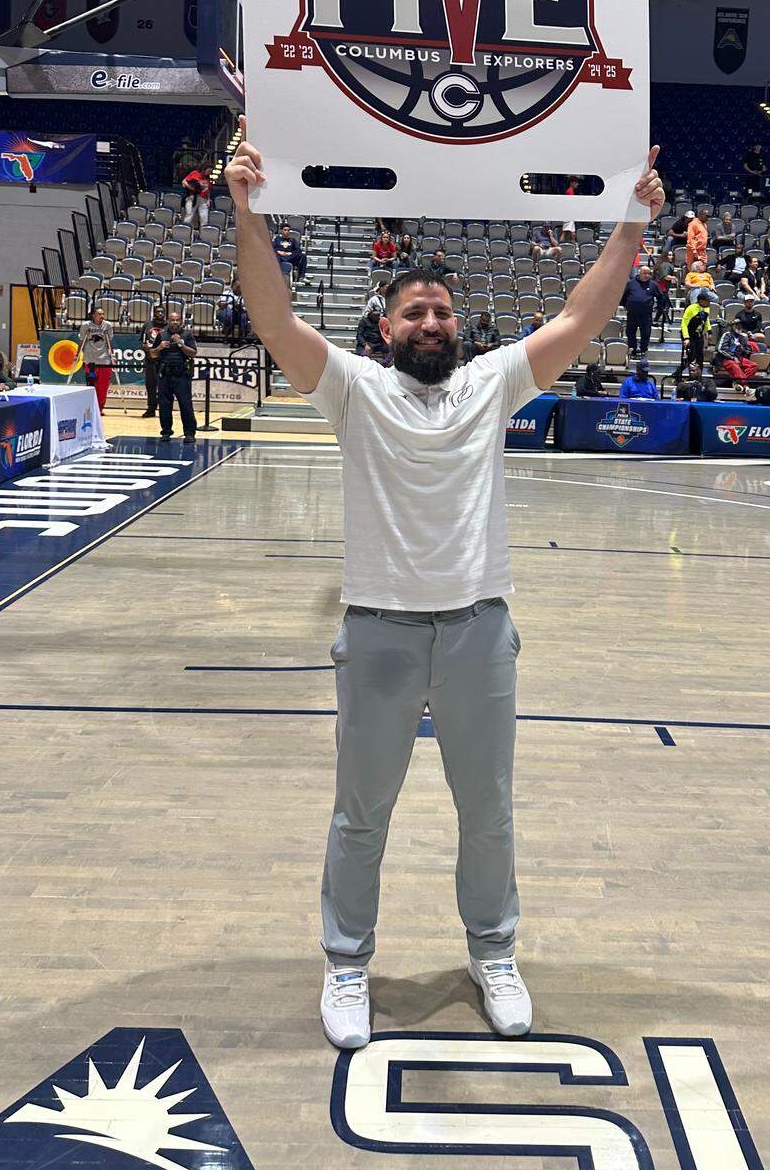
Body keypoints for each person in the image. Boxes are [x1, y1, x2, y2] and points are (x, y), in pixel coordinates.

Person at [223, 118, 665, 1051]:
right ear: (386, 328)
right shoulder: (352, 388)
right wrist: (244, 207)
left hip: (477, 630)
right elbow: (271, 319)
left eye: (442, 313)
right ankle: (347, 967)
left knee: (488, 811)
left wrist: (629, 224)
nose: (431, 324)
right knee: (362, 814)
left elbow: (582, 320)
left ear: (459, 327)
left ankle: (492, 954)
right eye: (414, 313)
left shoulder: (491, 385)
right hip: (380, 630)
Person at [149, 309, 197, 442]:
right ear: (168, 321)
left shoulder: (187, 335)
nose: (175, 322)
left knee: (185, 404)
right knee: (164, 404)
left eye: (177, 320)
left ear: (181, 321)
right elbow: (152, 354)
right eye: (172, 320)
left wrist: (180, 343)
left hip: (182, 375)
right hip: (165, 374)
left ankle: (189, 433)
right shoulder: (162, 335)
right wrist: (159, 347)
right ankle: (166, 432)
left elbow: (193, 353)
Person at [80, 306, 116, 411]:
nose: (102, 316)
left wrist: (112, 355)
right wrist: (77, 355)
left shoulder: (107, 325)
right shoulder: (86, 326)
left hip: (104, 361)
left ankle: (99, 408)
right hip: (90, 360)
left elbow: (110, 341)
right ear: (93, 315)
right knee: (91, 386)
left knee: (103, 386)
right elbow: (82, 340)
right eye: (100, 314)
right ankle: (90, 407)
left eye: (103, 314)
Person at [620, 266, 657, 355]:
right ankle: (632, 348)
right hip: (632, 313)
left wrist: (658, 307)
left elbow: (661, 297)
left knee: (645, 332)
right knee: (630, 331)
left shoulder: (653, 284)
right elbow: (624, 295)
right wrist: (624, 305)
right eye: (644, 273)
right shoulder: (631, 283)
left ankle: (643, 349)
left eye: (648, 273)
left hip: (646, 314)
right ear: (639, 273)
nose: (647, 275)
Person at [713, 324, 760, 392]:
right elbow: (720, 349)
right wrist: (732, 357)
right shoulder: (727, 335)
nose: (738, 328)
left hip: (738, 357)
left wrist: (743, 348)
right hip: (725, 357)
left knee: (754, 366)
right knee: (735, 366)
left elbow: (748, 350)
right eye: (736, 326)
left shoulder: (742, 337)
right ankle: (745, 385)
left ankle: (738, 383)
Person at [679, 291, 712, 380]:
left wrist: (709, 331)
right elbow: (684, 324)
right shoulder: (691, 308)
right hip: (689, 335)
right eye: (707, 301)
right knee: (691, 357)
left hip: (698, 335)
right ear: (701, 301)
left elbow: (706, 320)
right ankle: (689, 376)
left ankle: (699, 377)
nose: (709, 303)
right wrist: (686, 338)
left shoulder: (706, 309)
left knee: (700, 357)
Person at [141, 304, 166, 418]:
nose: (159, 314)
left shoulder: (167, 326)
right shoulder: (147, 325)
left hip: (163, 360)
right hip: (150, 360)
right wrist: (146, 350)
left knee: (164, 387)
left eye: (161, 312)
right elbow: (142, 342)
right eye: (157, 312)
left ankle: (164, 410)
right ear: (154, 313)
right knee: (150, 386)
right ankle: (151, 409)